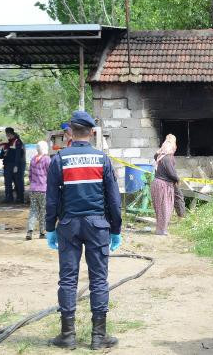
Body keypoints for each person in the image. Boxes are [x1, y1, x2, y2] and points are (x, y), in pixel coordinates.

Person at [45, 111, 122, 350]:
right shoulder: (102, 160)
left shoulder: (59, 159)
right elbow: (114, 199)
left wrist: (50, 228)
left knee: (68, 279)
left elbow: (51, 199)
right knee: (99, 280)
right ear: (91, 132)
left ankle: (67, 336)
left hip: (69, 225)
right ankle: (98, 338)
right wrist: (115, 229)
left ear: (69, 132)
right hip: (98, 225)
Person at [151, 134, 179, 235]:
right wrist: (177, 179)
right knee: (165, 207)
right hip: (163, 185)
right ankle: (162, 230)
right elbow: (171, 173)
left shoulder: (160, 155)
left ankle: (161, 229)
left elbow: (155, 156)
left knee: (160, 208)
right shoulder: (167, 157)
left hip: (157, 183)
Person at [26, 141, 50, 240]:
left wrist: (33, 184)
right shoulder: (47, 159)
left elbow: (30, 175)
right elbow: (50, 174)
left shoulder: (32, 159)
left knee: (33, 210)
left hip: (33, 189)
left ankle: (30, 231)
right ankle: (42, 232)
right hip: (44, 189)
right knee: (43, 211)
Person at [0, 127, 25, 203]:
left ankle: (20, 198)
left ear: (11, 133)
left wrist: (16, 166)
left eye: (8, 133)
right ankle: (8, 197)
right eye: (6, 133)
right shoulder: (7, 144)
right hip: (7, 165)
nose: (7, 135)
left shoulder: (17, 142)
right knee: (7, 182)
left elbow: (19, 154)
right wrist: (4, 153)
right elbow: (1, 156)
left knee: (18, 182)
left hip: (15, 165)